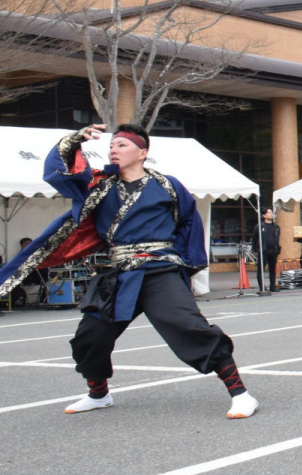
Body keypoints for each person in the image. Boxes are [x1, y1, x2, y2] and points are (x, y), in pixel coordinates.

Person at [0, 123, 259, 418]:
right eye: (111, 145)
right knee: (90, 337)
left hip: (160, 270)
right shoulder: (99, 185)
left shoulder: (167, 185)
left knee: (189, 328)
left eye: (122, 145)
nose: (113, 149)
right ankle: (98, 394)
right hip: (120, 273)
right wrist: (73, 141)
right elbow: (58, 174)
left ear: (142, 152)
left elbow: (188, 222)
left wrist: (187, 264)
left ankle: (241, 394)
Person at [251, 208, 281, 293]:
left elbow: (277, 237)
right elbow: (254, 238)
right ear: (264, 215)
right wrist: (256, 249)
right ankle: (262, 287)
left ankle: (272, 286)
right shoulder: (259, 226)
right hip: (263, 250)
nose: (271, 214)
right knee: (261, 269)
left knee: (273, 269)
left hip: (273, 250)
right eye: (268, 213)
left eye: (271, 212)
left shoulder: (276, 226)